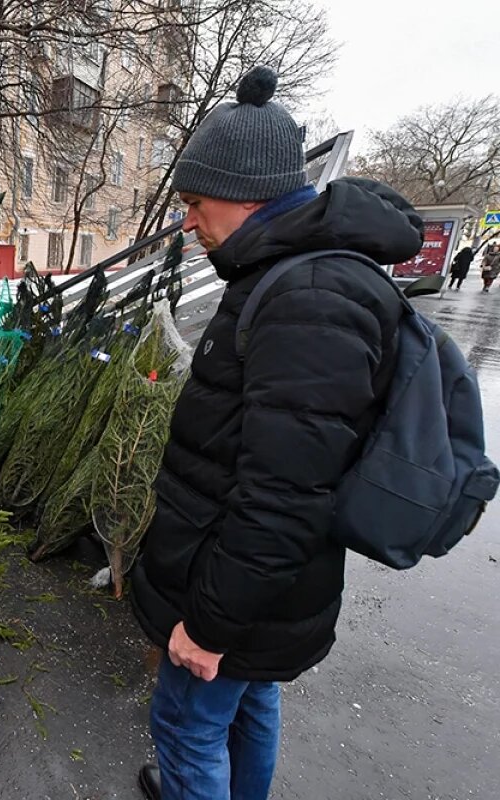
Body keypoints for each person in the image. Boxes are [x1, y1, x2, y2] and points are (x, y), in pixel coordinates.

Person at [131, 66, 421, 800]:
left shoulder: (308, 296)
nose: (188, 222)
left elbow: (283, 493)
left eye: (195, 203)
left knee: (190, 728)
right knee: (249, 702)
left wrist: (210, 623)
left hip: (239, 590)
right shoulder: (288, 275)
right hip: (266, 594)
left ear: (245, 191)